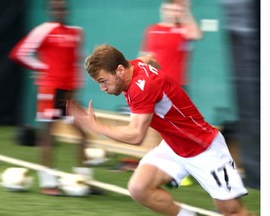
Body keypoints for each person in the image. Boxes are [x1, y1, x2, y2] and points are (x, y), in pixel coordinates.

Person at [67, 44, 250, 215]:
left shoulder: (141, 88)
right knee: (139, 188)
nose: (102, 88)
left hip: (204, 147)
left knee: (231, 210)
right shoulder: (132, 66)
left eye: (103, 81)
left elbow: (136, 136)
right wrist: (165, 88)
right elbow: (150, 59)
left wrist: (96, 126)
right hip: (173, 145)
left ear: (120, 71)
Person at [9, 0, 94, 196]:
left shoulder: (76, 33)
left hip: (68, 94)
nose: (60, 11)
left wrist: (76, 89)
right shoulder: (43, 30)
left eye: (63, 7)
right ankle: (48, 183)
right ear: (50, 10)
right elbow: (19, 53)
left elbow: (76, 64)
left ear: (67, 10)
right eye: (56, 8)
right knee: (47, 134)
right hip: (49, 91)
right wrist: (42, 68)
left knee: (83, 134)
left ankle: (84, 181)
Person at [139, 0, 202, 91]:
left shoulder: (184, 30)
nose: (170, 13)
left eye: (175, 11)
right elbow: (145, 57)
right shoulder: (152, 29)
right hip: (156, 82)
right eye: (168, 9)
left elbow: (197, 35)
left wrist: (187, 10)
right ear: (162, 10)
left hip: (178, 84)